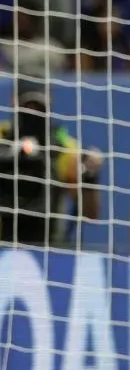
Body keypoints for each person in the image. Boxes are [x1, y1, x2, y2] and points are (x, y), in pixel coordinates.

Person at [0, 79, 101, 245]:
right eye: (27, 106)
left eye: (39, 107)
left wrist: (90, 179)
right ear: (13, 101)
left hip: (49, 244)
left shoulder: (65, 148)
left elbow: (90, 214)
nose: (32, 113)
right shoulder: (2, 138)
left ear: (50, 103)